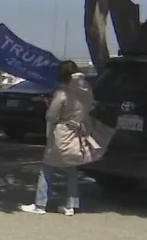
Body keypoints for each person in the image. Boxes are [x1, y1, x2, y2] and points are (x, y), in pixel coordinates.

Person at [20, 61, 93, 216]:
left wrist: (49, 105)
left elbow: (52, 115)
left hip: (62, 132)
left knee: (47, 168)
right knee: (71, 169)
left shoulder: (63, 92)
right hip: (78, 131)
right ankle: (71, 205)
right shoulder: (86, 90)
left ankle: (40, 204)